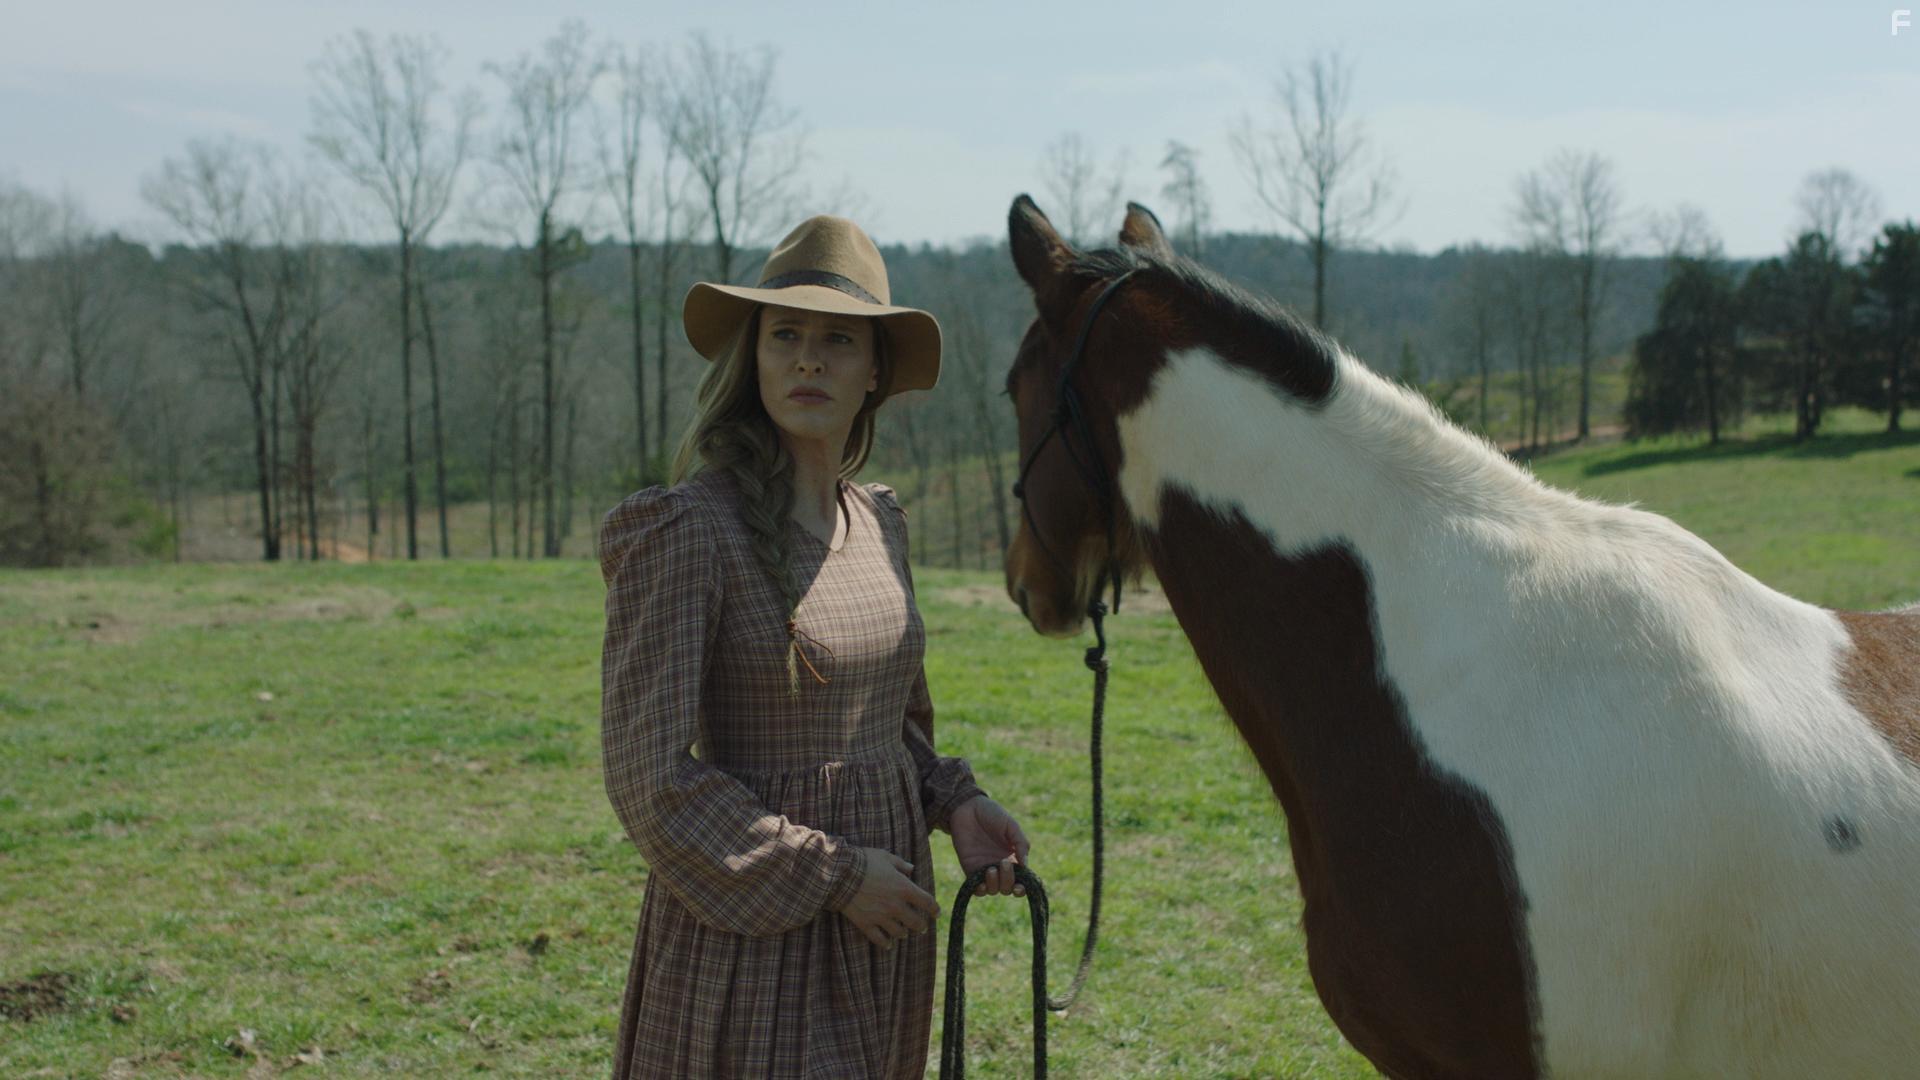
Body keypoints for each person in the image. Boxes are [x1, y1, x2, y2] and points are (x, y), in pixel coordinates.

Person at [599, 215, 1032, 1078]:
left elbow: (887, 723)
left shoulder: (879, 523)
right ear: (753, 358)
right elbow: (650, 780)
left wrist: (953, 802)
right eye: (786, 335)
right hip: (753, 931)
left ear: (875, 371)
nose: (808, 359)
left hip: (882, 929)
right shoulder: (691, 531)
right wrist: (831, 876)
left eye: (838, 339)